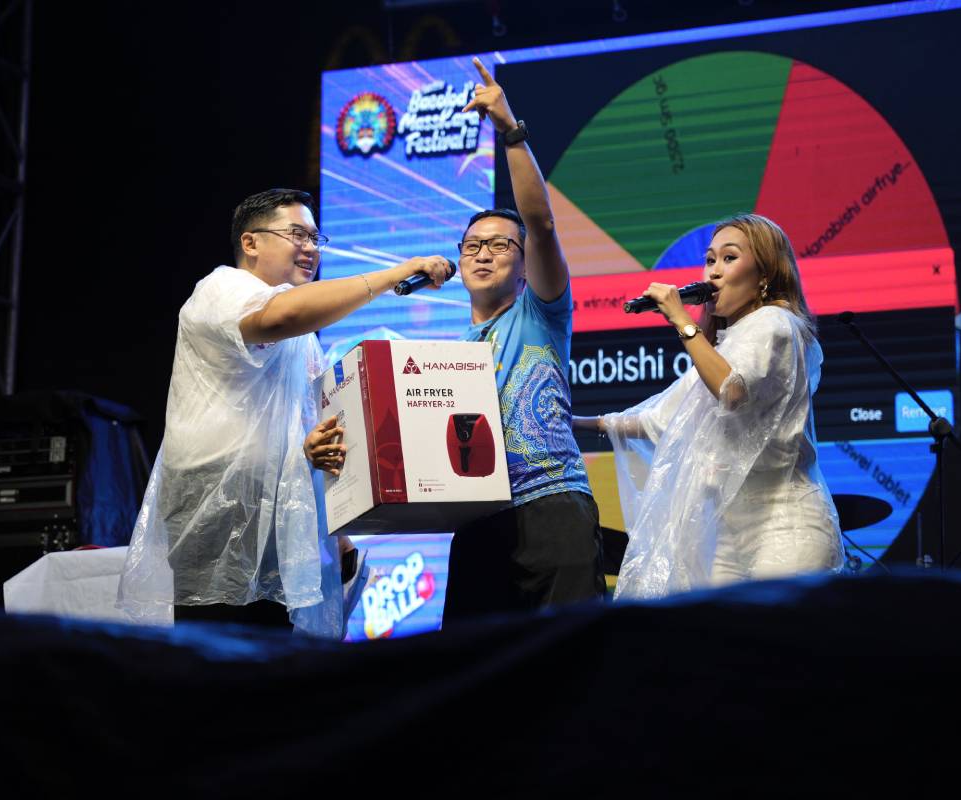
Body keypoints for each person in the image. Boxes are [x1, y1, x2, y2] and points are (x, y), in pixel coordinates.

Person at [117, 188, 451, 636]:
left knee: (274, 677)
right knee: (218, 666)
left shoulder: (303, 339)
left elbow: (304, 425)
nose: (311, 247)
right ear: (251, 243)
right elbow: (275, 318)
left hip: (280, 519)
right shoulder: (223, 289)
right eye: (297, 234)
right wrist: (393, 276)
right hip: (219, 514)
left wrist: (313, 448)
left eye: (316, 237)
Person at [573, 213, 843, 597]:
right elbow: (660, 420)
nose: (714, 272)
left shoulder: (776, 324)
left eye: (729, 258)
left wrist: (682, 320)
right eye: (710, 259)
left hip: (786, 526)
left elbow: (731, 391)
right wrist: (573, 423)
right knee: (719, 644)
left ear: (765, 272)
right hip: (730, 532)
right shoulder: (726, 346)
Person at [441, 58, 605, 624]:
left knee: (570, 668)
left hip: (552, 504)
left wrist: (509, 130)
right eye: (472, 246)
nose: (483, 253)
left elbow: (541, 223)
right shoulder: (449, 359)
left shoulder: (541, 311)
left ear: (522, 264)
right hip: (479, 520)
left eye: (500, 246)